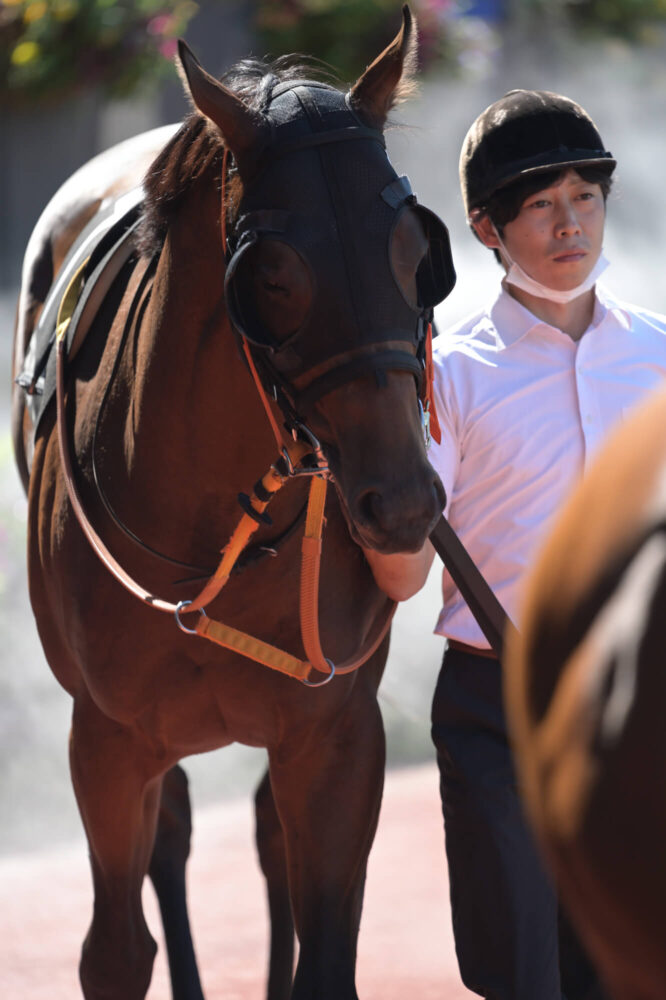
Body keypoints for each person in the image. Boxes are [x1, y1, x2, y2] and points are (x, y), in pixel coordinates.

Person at [364, 89, 666, 1000]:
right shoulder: (444, 375)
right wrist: (373, 499)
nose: (570, 223)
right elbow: (407, 576)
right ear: (488, 229)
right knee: (522, 974)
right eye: (540, 204)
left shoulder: (659, 354)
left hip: (640, 704)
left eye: (585, 197)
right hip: (498, 708)